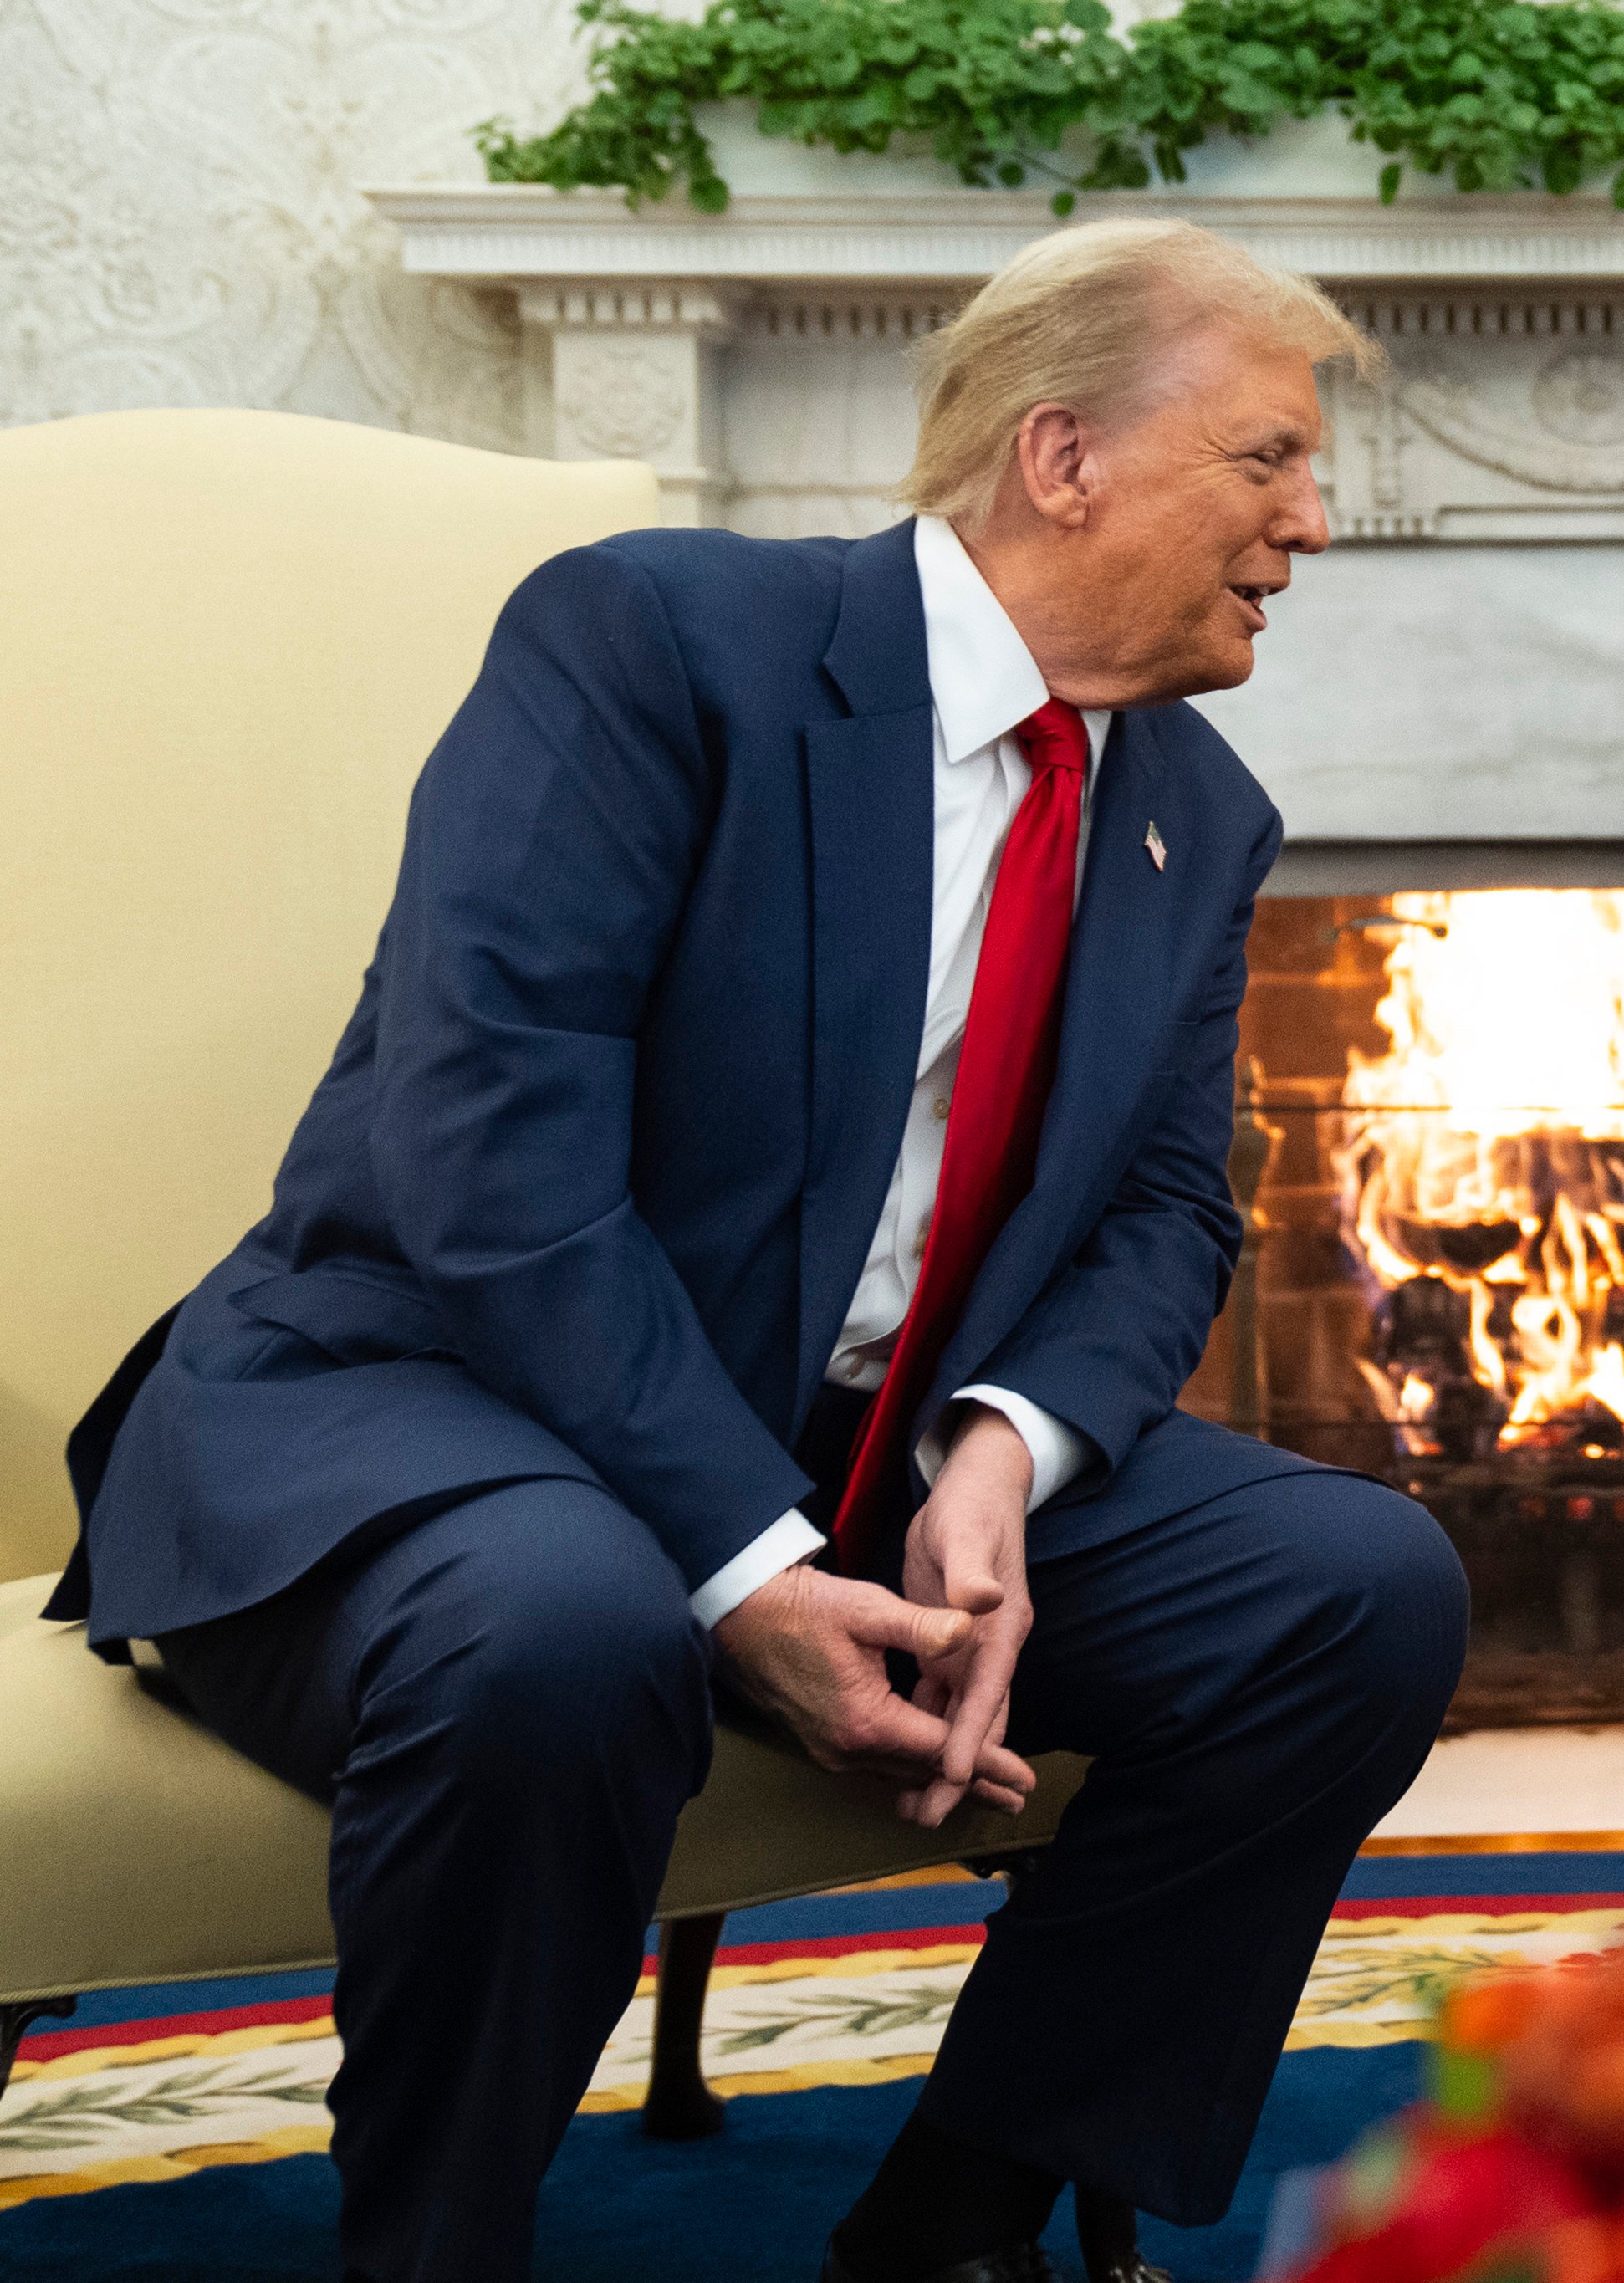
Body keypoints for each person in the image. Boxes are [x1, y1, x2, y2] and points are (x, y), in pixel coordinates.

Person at [49, 219, 1468, 2283]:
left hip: (846, 1440)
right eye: (1265, 458)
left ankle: (958, 2220)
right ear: (1061, 456)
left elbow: (1168, 1211)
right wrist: (749, 1564)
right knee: (564, 1624)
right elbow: (490, 1153)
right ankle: (432, 2249)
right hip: (417, 1400)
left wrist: (998, 1455)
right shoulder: (653, 642)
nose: (1311, 523)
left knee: (1350, 1591)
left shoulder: (1190, 810)